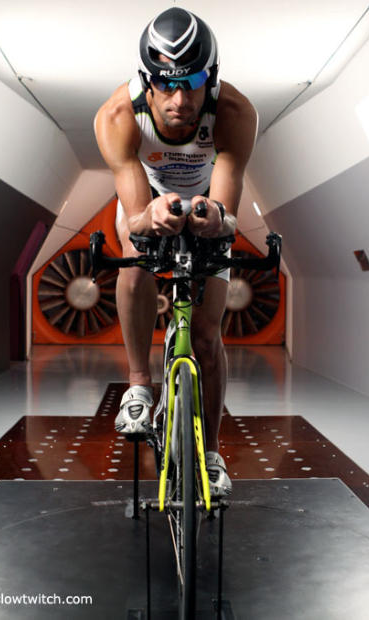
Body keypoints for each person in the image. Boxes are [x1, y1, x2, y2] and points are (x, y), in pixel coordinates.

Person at [94, 7, 257, 496]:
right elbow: (136, 218)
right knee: (136, 251)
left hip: (209, 203)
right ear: (148, 81)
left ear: (212, 77)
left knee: (206, 338)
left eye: (193, 83)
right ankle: (139, 383)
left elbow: (227, 208)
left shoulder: (235, 112)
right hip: (148, 198)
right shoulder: (117, 116)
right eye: (166, 85)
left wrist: (216, 218)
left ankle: (211, 453)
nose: (181, 100)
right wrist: (149, 218)